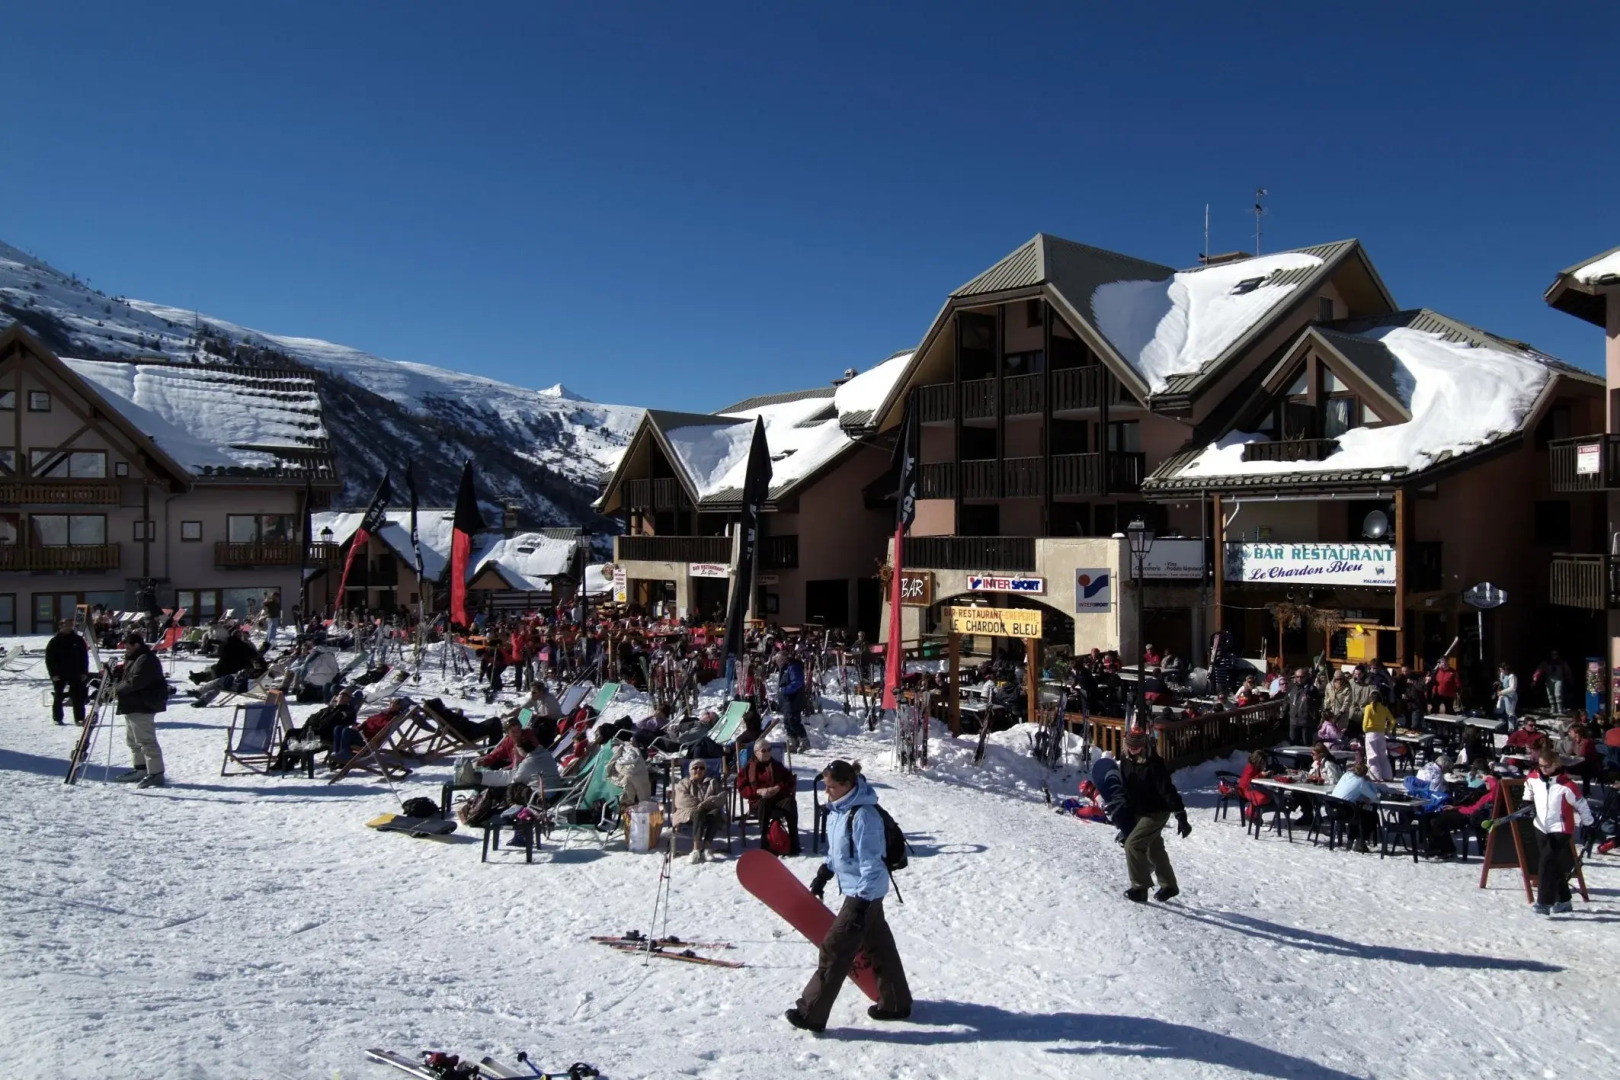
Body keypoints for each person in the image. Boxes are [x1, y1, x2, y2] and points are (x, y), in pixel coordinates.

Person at [786, 759, 911, 1032]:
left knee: (834, 949)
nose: (827, 791)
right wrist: (824, 874)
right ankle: (896, 1003)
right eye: (826, 786)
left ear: (848, 785)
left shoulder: (864, 816)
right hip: (861, 892)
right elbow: (838, 852)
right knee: (880, 947)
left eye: (832, 787)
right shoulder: (837, 811)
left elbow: (872, 864)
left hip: (863, 894)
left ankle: (810, 1013)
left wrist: (862, 904)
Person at [1118, 729, 1190, 903]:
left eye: (1137, 746)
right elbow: (1125, 787)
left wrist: (1181, 814)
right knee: (1154, 850)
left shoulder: (1154, 764)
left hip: (1157, 812)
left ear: (1143, 745)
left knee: (1132, 845)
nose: (1134, 749)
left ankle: (1140, 888)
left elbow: (1167, 789)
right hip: (1138, 811)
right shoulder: (1125, 760)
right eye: (1131, 745)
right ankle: (1169, 886)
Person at [1523, 748, 1593, 914]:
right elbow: (1528, 786)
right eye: (1540, 766)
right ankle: (1564, 900)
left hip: (1560, 829)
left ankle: (1544, 902)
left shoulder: (1567, 785)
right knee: (1552, 864)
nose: (1543, 769)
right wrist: (1527, 801)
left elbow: (1582, 805)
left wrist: (1589, 825)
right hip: (1540, 826)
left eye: (1546, 766)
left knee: (1546, 862)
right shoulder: (1534, 777)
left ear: (1556, 764)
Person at [112, 631, 168, 788]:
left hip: (143, 704)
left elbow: (136, 681)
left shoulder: (146, 659)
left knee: (146, 741)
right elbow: (127, 677)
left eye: (128, 647)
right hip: (132, 704)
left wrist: (116, 690)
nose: (126, 650)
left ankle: (156, 773)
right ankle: (141, 769)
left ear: (136, 645)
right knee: (133, 741)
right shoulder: (135, 658)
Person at [739, 738, 801, 855]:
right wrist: (758, 791)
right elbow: (742, 788)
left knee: (790, 802)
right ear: (756, 752)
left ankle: (793, 840)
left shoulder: (777, 765)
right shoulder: (748, 769)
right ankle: (765, 839)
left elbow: (790, 781)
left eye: (769, 750)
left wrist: (778, 788)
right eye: (763, 750)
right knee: (764, 802)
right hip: (759, 801)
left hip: (778, 797)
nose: (767, 753)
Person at [672, 759, 727, 863]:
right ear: (690, 770)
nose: (698, 770)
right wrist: (703, 804)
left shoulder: (712, 782)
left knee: (716, 812)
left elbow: (721, 797)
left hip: (708, 812)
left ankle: (706, 848)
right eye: (695, 768)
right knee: (699, 812)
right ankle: (696, 849)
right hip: (687, 812)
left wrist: (708, 803)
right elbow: (682, 800)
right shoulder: (683, 783)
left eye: (701, 768)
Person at [45, 619, 91, 726]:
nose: (70, 627)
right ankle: (57, 718)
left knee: (77, 697)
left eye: (71, 625)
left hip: (76, 672)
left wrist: (84, 672)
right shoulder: (54, 641)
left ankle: (79, 718)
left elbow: (84, 657)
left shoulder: (78, 640)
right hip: (59, 673)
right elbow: (49, 660)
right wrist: (53, 674)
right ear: (60, 626)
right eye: (67, 625)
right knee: (58, 696)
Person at [1329, 762, 1380, 852]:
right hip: (1345, 811)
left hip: (1332, 809)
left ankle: (1351, 839)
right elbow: (1374, 796)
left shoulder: (1345, 775)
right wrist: (1369, 782)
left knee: (1359, 812)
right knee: (1370, 815)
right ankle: (1360, 841)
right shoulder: (1361, 781)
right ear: (1364, 774)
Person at [1362, 690, 1397, 782]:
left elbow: (1365, 721)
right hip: (1381, 733)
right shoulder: (1384, 708)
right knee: (1382, 755)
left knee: (1372, 756)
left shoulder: (1368, 708)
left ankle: (1375, 777)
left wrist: (1365, 729)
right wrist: (1387, 730)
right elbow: (1393, 721)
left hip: (1370, 733)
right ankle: (1388, 775)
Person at [778, 649, 809, 753]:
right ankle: (793, 742)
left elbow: (797, 682)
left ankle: (804, 741)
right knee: (787, 722)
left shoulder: (793, 667)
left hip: (793, 699)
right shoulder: (785, 667)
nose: (778, 662)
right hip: (786, 701)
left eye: (779, 659)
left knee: (793, 721)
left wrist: (785, 690)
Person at [606, 741, 653, 806]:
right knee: (644, 796)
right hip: (638, 773)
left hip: (629, 772)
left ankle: (630, 805)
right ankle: (641, 806)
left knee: (627, 784)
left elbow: (610, 769)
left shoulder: (618, 759)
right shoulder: (634, 751)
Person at [1286, 668, 1317, 746]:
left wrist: (1310, 695)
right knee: (1293, 743)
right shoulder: (1291, 687)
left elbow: (1317, 701)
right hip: (1294, 720)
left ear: (1305, 677)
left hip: (1306, 721)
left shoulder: (1311, 688)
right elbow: (1286, 700)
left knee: (1306, 744)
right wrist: (1282, 714)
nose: (1299, 679)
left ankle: (1306, 758)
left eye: (1302, 677)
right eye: (1297, 677)